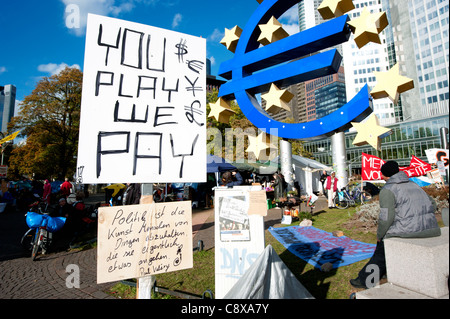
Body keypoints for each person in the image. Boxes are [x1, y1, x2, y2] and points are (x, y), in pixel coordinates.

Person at [350, 160, 441, 289]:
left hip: (408, 229)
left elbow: (386, 217)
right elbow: (433, 204)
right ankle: (385, 272)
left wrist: (379, 235)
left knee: (381, 249)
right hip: (430, 227)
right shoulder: (413, 184)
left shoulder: (388, 189)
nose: (381, 176)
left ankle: (365, 280)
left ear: (385, 175)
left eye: (382, 174)